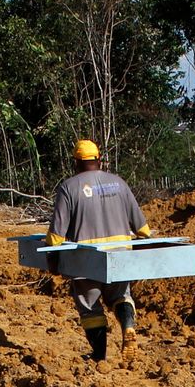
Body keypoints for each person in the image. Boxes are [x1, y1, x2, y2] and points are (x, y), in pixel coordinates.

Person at [46, 138, 154, 363]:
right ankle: (128, 327)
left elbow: (56, 235)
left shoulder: (69, 187)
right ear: (99, 159)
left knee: (90, 307)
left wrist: (53, 260)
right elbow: (143, 229)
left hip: (87, 257)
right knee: (121, 296)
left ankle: (99, 356)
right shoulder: (119, 183)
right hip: (120, 254)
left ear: (76, 162)